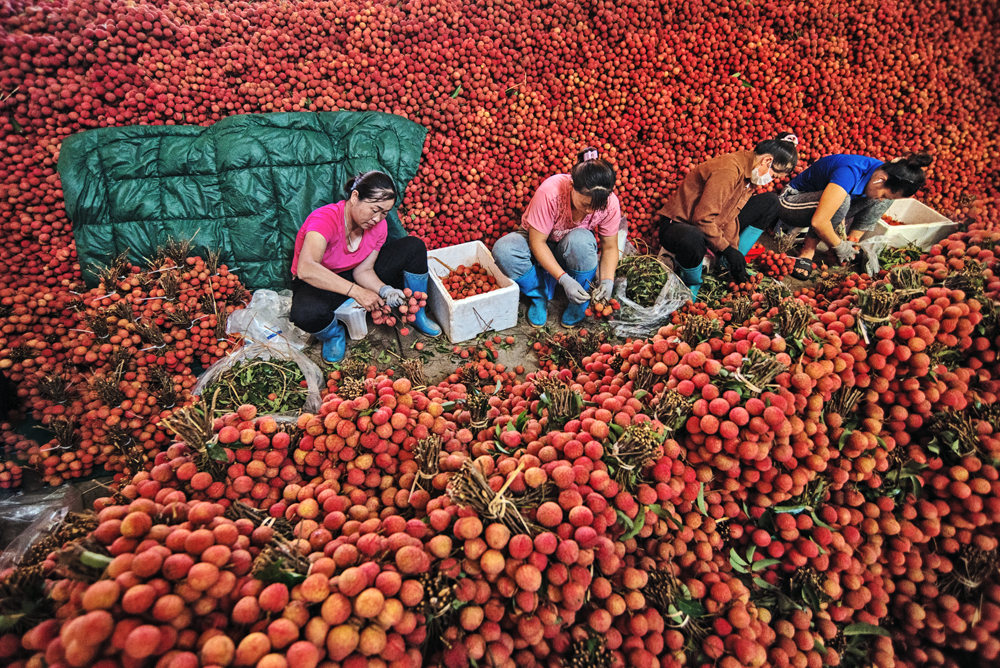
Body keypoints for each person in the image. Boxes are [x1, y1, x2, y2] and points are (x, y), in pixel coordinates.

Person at [290, 171, 441, 363]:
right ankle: (333, 334)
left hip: (352, 274)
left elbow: (363, 270)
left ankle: (417, 313)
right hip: (318, 281)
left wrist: (385, 290)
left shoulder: (379, 227)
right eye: (374, 209)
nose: (377, 219)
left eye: (384, 213)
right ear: (355, 197)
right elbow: (306, 269)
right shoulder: (325, 219)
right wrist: (357, 292)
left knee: (413, 246)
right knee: (305, 313)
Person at [656, 134, 800, 297]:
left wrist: (734, 251)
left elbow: (731, 215)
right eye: (773, 175)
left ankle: (729, 264)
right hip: (679, 225)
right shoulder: (729, 171)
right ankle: (691, 283)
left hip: (712, 223)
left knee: (771, 202)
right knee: (692, 238)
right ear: (767, 161)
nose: (770, 179)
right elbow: (701, 219)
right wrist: (728, 250)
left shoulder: (750, 174)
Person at [493, 147, 621, 327]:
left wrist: (608, 281)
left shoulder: (611, 204)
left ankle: (580, 300)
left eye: (597, 207)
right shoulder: (551, 192)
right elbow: (537, 242)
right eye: (585, 204)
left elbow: (609, 247)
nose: (590, 211)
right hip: (537, 242)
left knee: (582, 240)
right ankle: (539, 296)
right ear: (571, 187)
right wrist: (564, 279)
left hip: (570, 248)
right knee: (504, 250)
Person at [756, 153, 933, 278]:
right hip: (792, 204)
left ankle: (852, 242)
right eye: (884, 193)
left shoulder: (884, 175)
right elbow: (819, 221)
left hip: (826, 207)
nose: (881, 200)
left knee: (880, 200)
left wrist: (847, 246)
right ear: (881, 179)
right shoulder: (850, 171)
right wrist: (838, 245)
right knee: (843, 201)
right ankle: (807, 251)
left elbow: (876, 198)